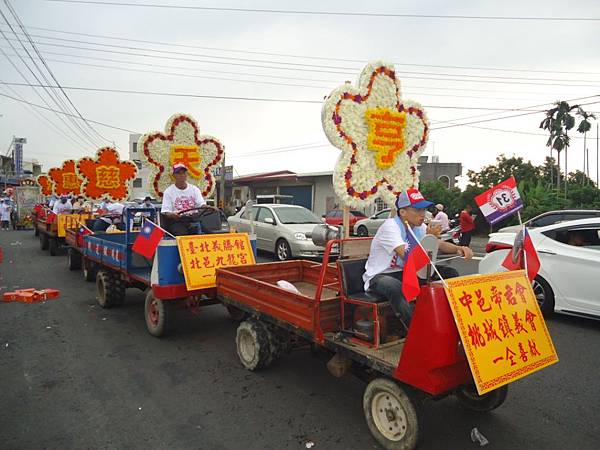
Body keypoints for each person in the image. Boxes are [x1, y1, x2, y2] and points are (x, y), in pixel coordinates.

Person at [363, 188, 473, 331]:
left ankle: (451, 323)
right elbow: (408, 256)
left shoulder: (419, 226)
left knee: (450, 274)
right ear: (403, 212)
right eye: (417, 210)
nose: (423, 214)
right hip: (380, 275)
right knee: (395, 286)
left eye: (424, 210)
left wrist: (460, 248)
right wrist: (431, 238)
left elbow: (438, 244)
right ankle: (418, 331)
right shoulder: (390, 227)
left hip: (407, 272)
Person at [161, 163, 212, 235]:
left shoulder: (194, 189)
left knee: (210, 233)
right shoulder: (169, 192)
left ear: (186, 174)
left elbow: (201, 204)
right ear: (174, 176)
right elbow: (166, 211)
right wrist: (172, 215)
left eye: (184, 173)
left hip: (193, 219)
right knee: (182, 234)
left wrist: (207, 207)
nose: (182, 175)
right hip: (178, 221)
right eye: (178, 173)